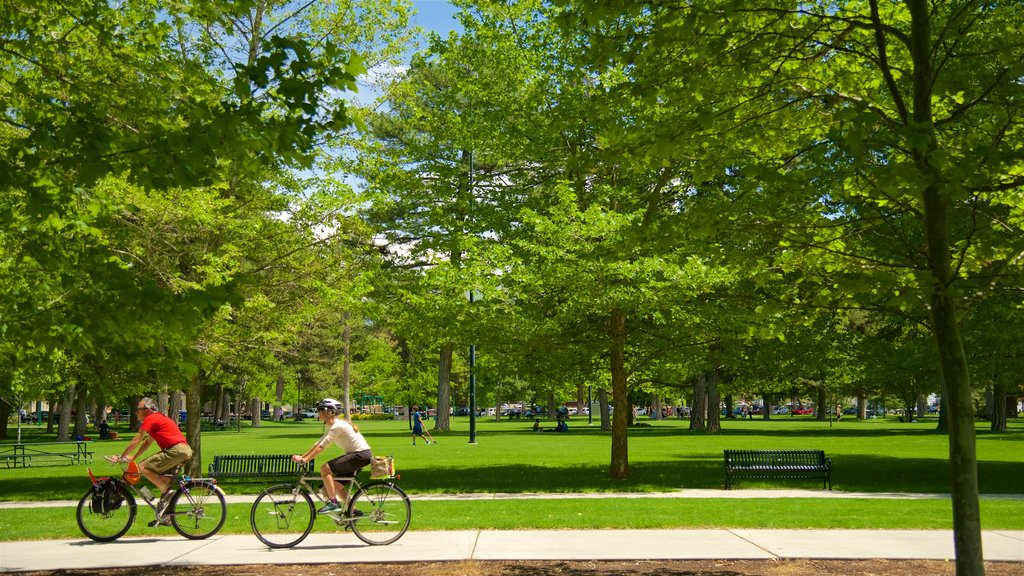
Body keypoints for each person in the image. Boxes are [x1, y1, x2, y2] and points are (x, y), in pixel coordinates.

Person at [292, 398, 372, 514]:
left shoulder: (337, 426)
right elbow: (318, 444)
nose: (317, 412)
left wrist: (305, 460)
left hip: (359, 455)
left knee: (325, 469)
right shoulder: (334, 426)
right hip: (359, 455)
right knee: (335, 485)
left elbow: (322, 447)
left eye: (320, 410)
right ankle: (353, 511)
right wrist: (303, 457)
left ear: (328, 411)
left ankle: (333, 502)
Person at [117, 397, 193, 518]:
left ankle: (167, 492)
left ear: (147, 410)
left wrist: (122, 456)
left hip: (176, 450)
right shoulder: (157, 419)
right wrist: (133, 457)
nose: (136, 413)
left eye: (138, 410)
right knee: (165, 481)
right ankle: (166, 516)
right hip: (183, 451)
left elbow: (137, 439)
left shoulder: (151, 418)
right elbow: (147, 442)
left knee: (142, 466)